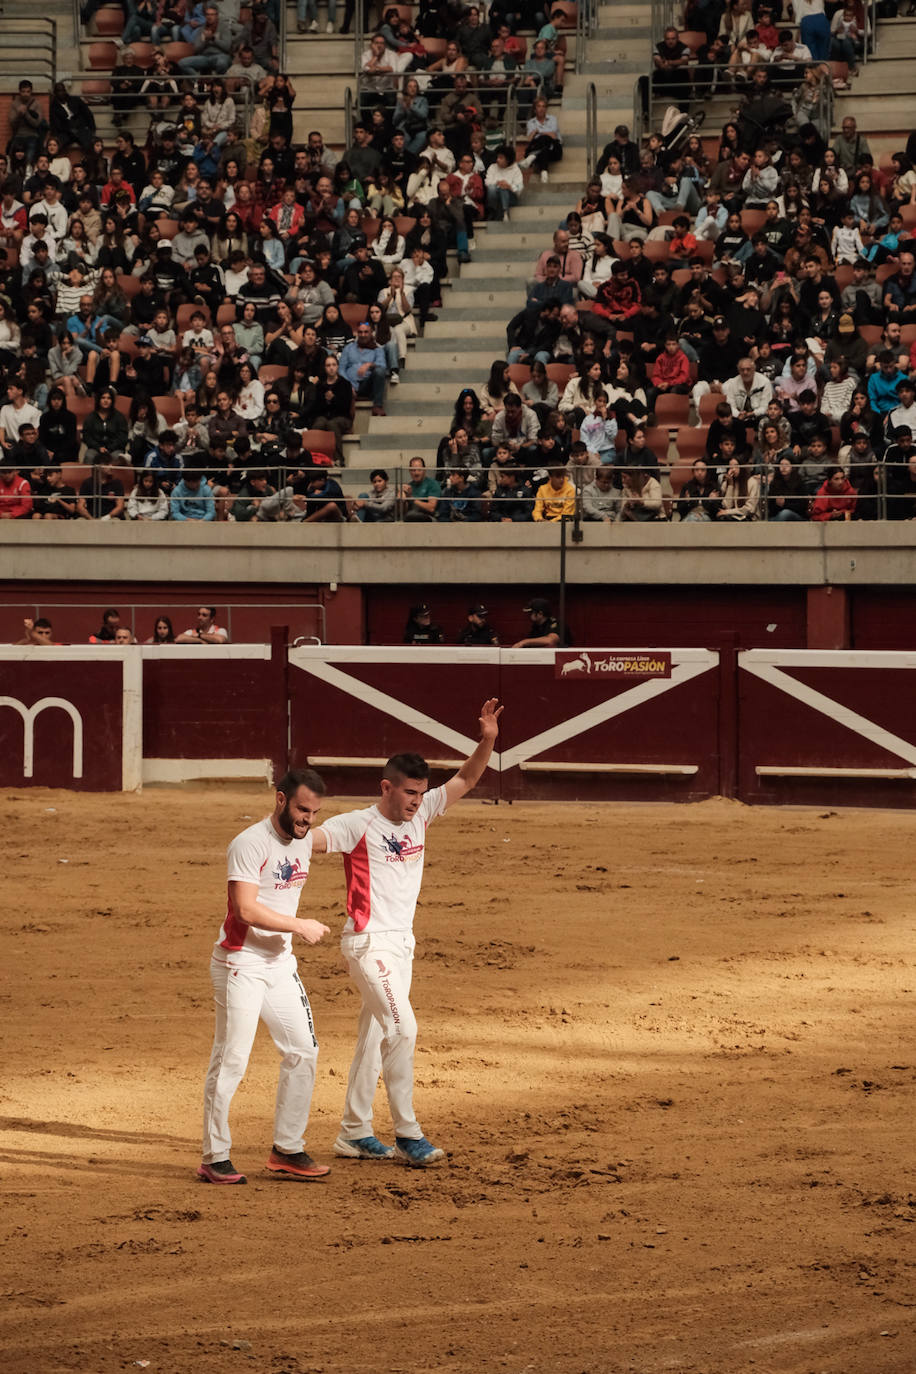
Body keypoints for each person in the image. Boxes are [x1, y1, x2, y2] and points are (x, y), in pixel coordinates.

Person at [309, 699, 502, 1165]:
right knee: (402, 1027)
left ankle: (354, 1132)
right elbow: (307, 839)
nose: (417, 801)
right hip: (368, 942)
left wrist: (489, 739)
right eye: (409, 792)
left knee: (376, 1034)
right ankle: (408, 1133)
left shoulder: (425, 812)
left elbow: (468, 778)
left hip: (401, 945)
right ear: (387, 788)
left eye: (421, 793)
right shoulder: (356, 824)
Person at [198, 768, 332, 1185]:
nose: (306, 819)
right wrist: (299, 925)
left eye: (313, 812)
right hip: (240, 962)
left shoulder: (306, 839)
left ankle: (287, 1149)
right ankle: (214, 1155)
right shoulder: (248, 843)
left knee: (303, 1050)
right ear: (280, 799)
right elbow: (245, 910)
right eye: (301, 809)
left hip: (279, 964)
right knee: (232, 1058)